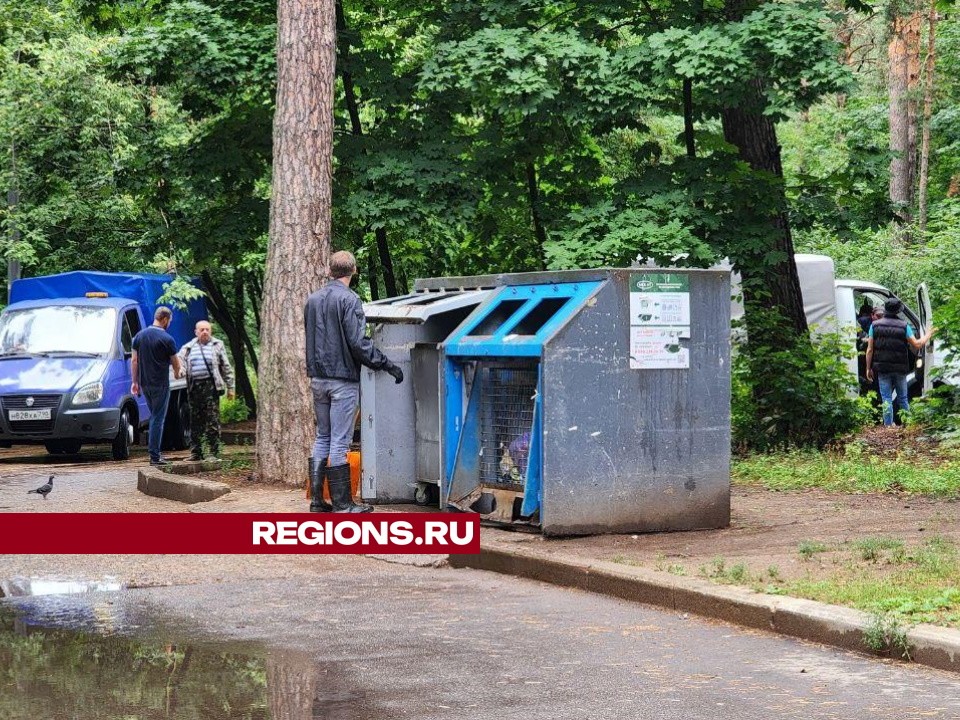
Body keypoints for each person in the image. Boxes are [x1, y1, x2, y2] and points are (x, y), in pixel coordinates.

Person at [304, 250, 404, 513]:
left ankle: (317, 501)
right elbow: (358, 343)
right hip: (342, 380)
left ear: (330, 271)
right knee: (339, 440)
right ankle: (343, 504)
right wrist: (387, 364)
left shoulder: (312, 300)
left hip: (317, 378)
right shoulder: (350, 300)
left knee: (322, 436)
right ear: (354, 271)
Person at [866, 297, 937, 426]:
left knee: (886, 398)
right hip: (900, 369)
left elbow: (870, 349)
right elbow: (917, 344)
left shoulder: (874, 325)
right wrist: (928, 334)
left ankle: (888, 426)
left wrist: (868, 368)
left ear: (885, 310)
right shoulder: (904, 326)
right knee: (903, 398)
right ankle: (907, 424)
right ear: (898, 311)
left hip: (882, 368)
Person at [178, 320, 236, 461]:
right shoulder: (188, 347)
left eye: (207, 329)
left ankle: (213, 453)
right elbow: (180, 361)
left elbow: (226, 367)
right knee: (195, 422)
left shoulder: (217, 345)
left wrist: (231, 388)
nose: (205, 332)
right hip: (194, 388)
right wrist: (180, 370)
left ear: (211, 331)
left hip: (211, 387)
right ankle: (196, 453)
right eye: (202, 330)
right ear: (196, 332)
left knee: (212, 421)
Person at [131, 307, 183, 465]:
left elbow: (134, 361)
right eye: (170, 321)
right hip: (160, 384)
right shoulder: (167, 339)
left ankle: (155, 453)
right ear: (165, 319)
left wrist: (135, 382)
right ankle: (154, 456)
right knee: (157, 419)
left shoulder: (138, 336)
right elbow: (175, 361)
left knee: (154, 417)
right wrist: (176, 372)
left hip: (145, 384)